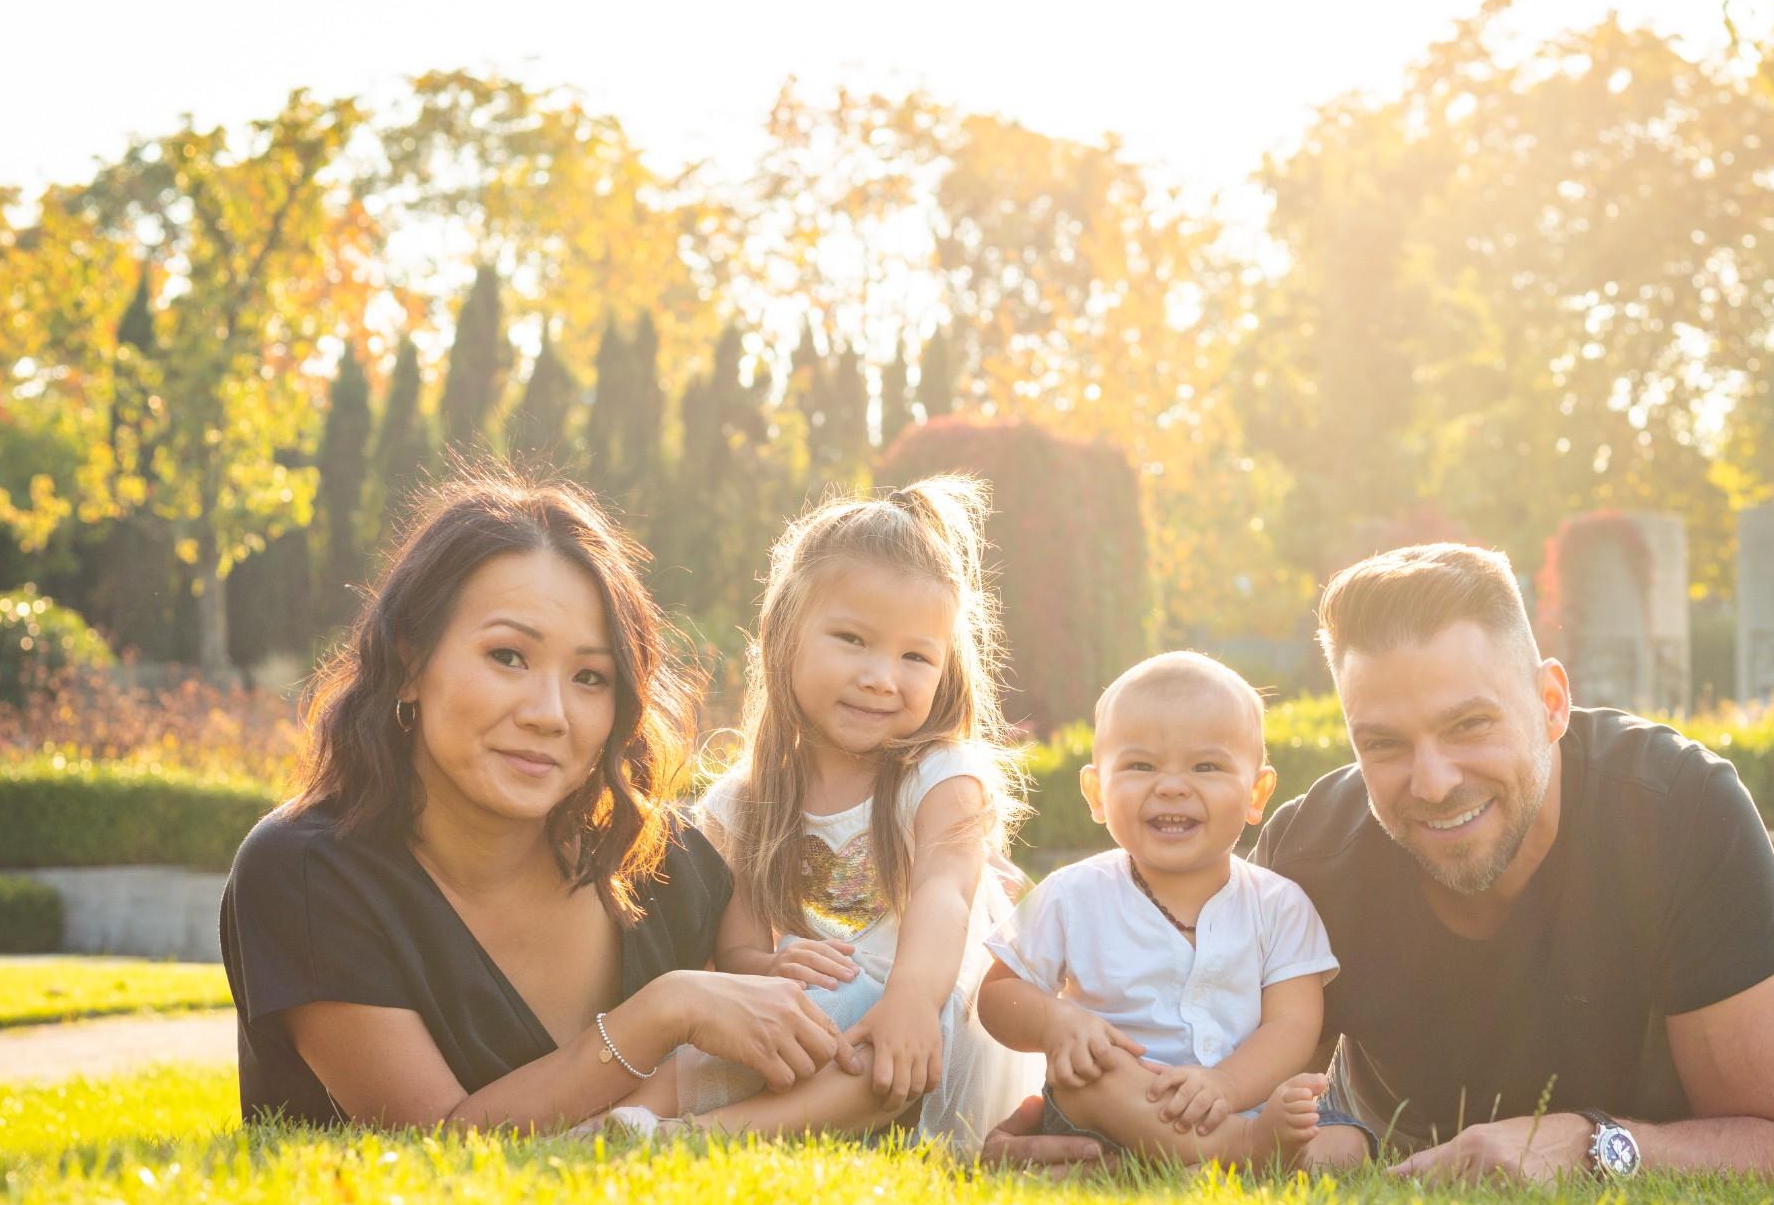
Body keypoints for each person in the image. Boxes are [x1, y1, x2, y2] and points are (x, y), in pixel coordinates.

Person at [218, 471, 842, 1130]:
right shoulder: (306, 873)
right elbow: (434, 1147)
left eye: (590, 677)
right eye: (508, 656)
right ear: (408, 665)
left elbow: (789, 1089)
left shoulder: (676, 870)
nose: (550, 714)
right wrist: (665, 1011)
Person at [1258, 542, 1774, 1184]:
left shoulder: (1682, 811)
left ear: (1551, 703)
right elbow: (1228, 1107)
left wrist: (1589, 1147)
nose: (1432, 783)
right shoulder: (1308, 855)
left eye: (1469, 724)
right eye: (1384, 743)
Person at [685, 477, 1038, 1146]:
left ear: (945, 669)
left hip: (919, 1014)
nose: (882, 676)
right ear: (784, 634)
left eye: (915, 656)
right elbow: (734, 947)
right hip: (813, 1020)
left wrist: (909, 997)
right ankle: (637, 1118)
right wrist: (766, 973)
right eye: (852, 640)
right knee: (728, 1020)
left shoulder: (939, 777)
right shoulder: (743, 801)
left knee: (880, 1033)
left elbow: (944, 896)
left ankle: (709, 1133)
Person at [978, 652, 1335, 1166]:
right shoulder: (1069, 894)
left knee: (1334, 1135)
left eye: (1206, 766)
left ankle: (1214, 1146)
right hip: (1105, 1111)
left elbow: (1294, 1024)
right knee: (1092, 1073)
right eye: (1140, 765)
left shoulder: (1281, 906)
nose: (1171, 785)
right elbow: (997, 994)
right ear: (1097, 792)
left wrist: (1226, 1084)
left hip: (1235, 1105)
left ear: (1256, 793)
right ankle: (1241, 1153)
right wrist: (1056, 1025)